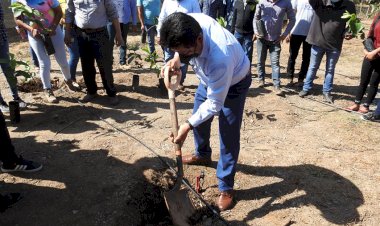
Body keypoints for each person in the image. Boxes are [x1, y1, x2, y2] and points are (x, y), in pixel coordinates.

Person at [160, 12, 252, 211]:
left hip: (235, 82)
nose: (183, 57)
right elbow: (183, 50)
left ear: (199, 40)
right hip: (208, 79)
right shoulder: (190, 23)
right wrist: (176, 59)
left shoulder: (220, 57)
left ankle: (226, 186)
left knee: (228, 133)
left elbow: (214, 104)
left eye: (184, 53)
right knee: (198, 118)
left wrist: (186, 126)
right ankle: (202, 154)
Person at [13, 0, 81, 104]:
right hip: (34, 34)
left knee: (62, 61)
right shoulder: (17, 0)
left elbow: (58, 11)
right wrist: (30, 29)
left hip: (53, 31)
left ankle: (68, 81)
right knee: (44, 63)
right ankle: (48, 90)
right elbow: (17, 19)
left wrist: (53, 27)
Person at [65, 0, 124, 105]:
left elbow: (113, 13)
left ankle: (111, 93)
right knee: (86, 65)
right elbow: (69, 13)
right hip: (81, 34)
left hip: (100, 34)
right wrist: (67, 32)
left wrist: (118, 34)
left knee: (104, 65)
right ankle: (91, 91)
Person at [299, 0, 356, 103]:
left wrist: (349, 32)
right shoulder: (320, 2)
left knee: (330, 69)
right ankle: (306, 88)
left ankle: (326, 92)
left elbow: (353, 23)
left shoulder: (348, 5)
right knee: (313, 67)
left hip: (335, 44)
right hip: (318, 41)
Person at [253, 0, 295, 95]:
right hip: (262, 38)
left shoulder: (286, 3)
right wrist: (256, 31)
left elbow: (292, 19)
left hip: (275, 39)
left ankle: (277, 85)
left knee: (275, 63)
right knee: (260, 60)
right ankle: (261, 80)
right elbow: (256, 17)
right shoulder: (261, 2)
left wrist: (284, 35)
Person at [157, 0, 201, 90]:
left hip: (185, 41)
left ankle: (180, 81)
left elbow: (198, 20)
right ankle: (167, 81)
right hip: (170, 40)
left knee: (183, 62)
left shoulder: (193, 2)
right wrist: (159, 34)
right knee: (168, 59)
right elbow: (162, 18)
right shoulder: (167, 2)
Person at [346, 14, 380, 113]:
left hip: (377, 54)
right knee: (363, 80)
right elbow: (370, 35)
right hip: (370, 53)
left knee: (374, 82)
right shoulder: (378, 16)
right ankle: (356, 103)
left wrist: (374, 52)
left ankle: (366, 105)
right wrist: (366, 50)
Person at [0, 2, 27, 112]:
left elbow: (1, 18)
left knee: (8, 69)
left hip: (1, 39)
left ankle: (16, 97)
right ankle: (1, 102)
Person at [285, 0, 314, 86]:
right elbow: (291, 14)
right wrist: (288, 31)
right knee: (292, 56)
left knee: (306, 57)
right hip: (296, 31)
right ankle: (289, 77)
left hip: (310, 33)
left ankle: (301, 79)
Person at [107, 0, 137, 67]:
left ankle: (122, 61)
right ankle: (109, 62)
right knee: (110, 41)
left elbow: (133, 8)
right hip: (111, 21)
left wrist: (134, 23)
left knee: (123, 41)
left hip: (124, 21)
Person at [231, 0, 257, 75]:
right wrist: (232, 32)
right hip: (237, 32)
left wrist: (255, 32)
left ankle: (247, 72)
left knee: (248, 54)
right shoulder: (238, 2)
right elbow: (234, 17)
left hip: (249, 33)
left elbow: (255, 19)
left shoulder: (253, 4)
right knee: (236, 53)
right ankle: (235, 71)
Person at [59, 0, 80, 82]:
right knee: (74, 55)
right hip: (69, 31)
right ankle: (70, 79)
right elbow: (58, 18)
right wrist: (68, 21)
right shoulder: (59, 2)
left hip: (82, 30)